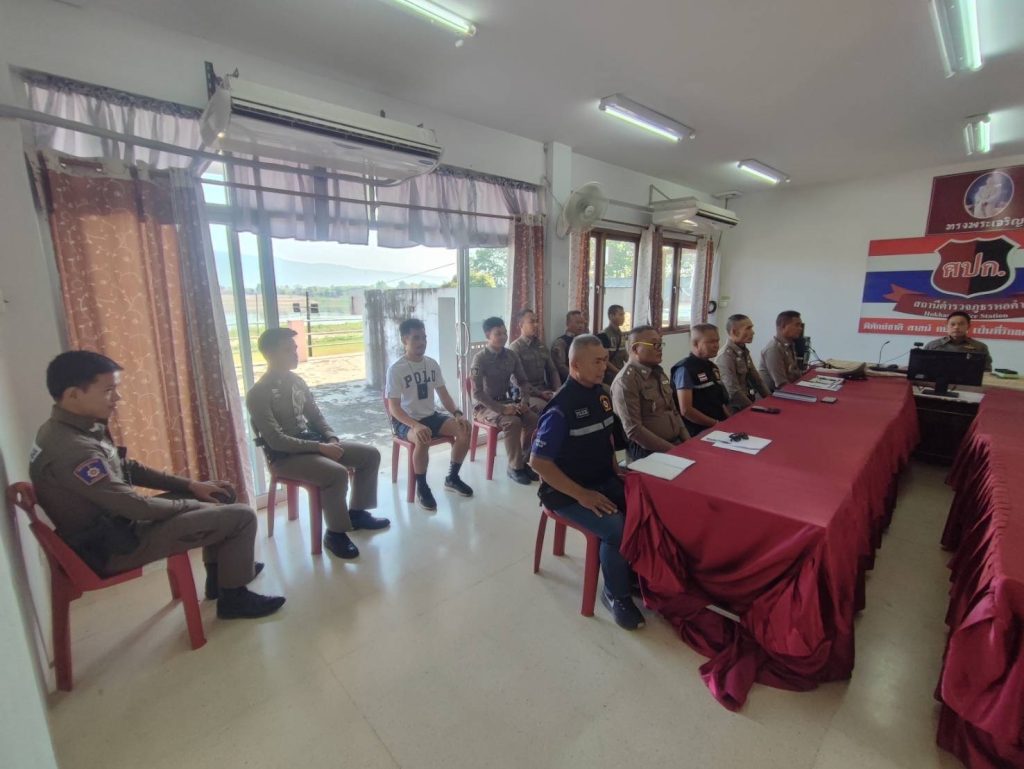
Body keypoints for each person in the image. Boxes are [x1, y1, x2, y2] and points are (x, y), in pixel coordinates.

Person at [29, 351, 285, 619]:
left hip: (117, 526)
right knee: (242, 516)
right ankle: (235, 600)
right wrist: (190, 504)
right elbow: (136, 508)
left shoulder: (74, 429)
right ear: (72, 395)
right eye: (108, 391)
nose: (117, 398)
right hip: (114, 545)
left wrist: (192, 485)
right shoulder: (73, 450)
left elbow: (128, 468)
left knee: (219, 494)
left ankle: (220, 577)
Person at [530, 335, 644, 631]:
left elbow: (606, 440)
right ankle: (615, 595)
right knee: (616, 528)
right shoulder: (560, 409)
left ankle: (629, 571)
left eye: (605, 360)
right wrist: (582, 495)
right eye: (597, 362)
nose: (604, 367)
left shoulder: (601, 395)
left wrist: (615, 470)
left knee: (645, 508)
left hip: (602, 479)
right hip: (566, 493)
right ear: (575, 365)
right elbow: (539, 463)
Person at [246, 328, 388, 560]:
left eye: (294, 348)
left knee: (370, 455)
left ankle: (357, 513)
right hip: (285, 458)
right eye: (288, 350)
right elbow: (276, 440)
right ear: (269, 354)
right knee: (336, 473)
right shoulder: (258, 393)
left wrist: (331, 438)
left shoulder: (297, 382)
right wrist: (321, 448)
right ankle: (335, 534)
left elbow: (316, 417)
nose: (295, 353)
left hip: (314, 445)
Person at [386, 319, 474, 511]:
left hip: (430, 416)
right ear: (405, 340)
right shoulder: (396, 370)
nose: (422, 342)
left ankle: (452, 478)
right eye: (416, 338)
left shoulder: (431, 364)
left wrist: (457, 413)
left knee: (465, 429)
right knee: (422, 437)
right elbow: (394, 408)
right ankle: (422, 486)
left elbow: (444, 395)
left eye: (424, 338)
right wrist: (415, 425)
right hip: (406, 421)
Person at [470, 316, 539, 485]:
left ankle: (524, 461)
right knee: (512, 422)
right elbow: (477, 393)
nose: (503, 337)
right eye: (498, 334)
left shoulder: (511, 355)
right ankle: (514, 467)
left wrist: (524, 402)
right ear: (488, 335)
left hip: (507, 401)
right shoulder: (480, 359)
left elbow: (523, 382)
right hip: (485, 407)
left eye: (505, 333)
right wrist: (502, 409)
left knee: (533, 419)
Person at [610, 325, 689, 461]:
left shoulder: (658, 373)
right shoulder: (626, 381)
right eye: (654, 344)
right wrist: (673, 451)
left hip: (675, 444)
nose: (660, 348)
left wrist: (688, 442)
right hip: (647, 452)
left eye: (660, 344)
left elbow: (674, 412)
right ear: (635, 349)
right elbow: (635, 431)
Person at [671, 323, 732, 436]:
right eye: (711, 342)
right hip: (699, 431)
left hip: (719, 425)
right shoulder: (685, 369)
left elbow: (721, 402)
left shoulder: (712, 367)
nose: (716, 345)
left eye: (717, 341)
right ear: (695, 344)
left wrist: (731, 422)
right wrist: (716, 424)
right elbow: (686, 410)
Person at [509, 308, 561, 411]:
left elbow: (552, 370)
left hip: (544, 389)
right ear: (521, 325)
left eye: (536, 321)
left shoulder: (541, 345)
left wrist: (558, 389)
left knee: (567, 403)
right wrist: (539, 393)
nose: (536, 325)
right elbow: (515, 379)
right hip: (525, 394)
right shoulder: (515, 347)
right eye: (532, 322)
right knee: (548, 409)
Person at [716, 314, 770, 410]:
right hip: (735, 408)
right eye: (748, 328)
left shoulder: (742, 351)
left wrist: (771, 400)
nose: (752, 332)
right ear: (734, 332)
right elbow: (733, 392)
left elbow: (757, 381)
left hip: (748, 400)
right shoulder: (725, 356)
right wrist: (753, 408)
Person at [923, 311, 993, 372]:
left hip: (968, 383)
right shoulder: (932, 346)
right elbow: (923, 368)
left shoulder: (980, 347)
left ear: (968, 326)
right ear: (946, 326)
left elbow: (986, 371)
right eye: (952, 324)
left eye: (961, 324)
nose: (956, 327)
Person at [758, 310, 803, 392]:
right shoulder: (773, 349)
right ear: (783, 326)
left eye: (800, 325)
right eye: (797, 325)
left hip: (787, 390)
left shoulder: (789, 345)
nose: (800, 329)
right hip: (774, 394)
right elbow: (782, 384)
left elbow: (795, 374)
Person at [550, 310, 586, 383]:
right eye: (577, 323)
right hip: (569, 381)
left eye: (582, 323)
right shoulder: (561, 342)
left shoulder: (584, 341)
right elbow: (561, 367)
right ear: (567, 323)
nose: (581, 326)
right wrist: (579, 377)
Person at [597, 304, 629, 385]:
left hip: (620, 372)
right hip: (608, 374)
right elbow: (604, 359)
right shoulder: (603, 335)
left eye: (623, 315)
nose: (623, 318)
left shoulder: (621, 334)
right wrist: (618, 371)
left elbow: (624, 354)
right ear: (611, 316)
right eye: (620, 315)